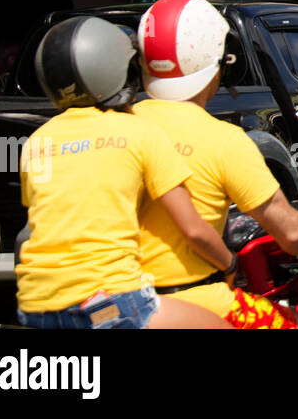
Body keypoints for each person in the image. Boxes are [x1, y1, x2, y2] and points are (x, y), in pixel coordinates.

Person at [132, 0, 298, 329]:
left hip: (112, 302)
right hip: (192, 299)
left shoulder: (116, 125)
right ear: (220, 62)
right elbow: (291, 232)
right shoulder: (225, 141)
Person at [16, 16, 232, 329]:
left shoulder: (36, 142)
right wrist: (230, 263)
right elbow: (194, 229)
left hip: (36, 307)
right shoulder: (139, 132)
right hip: (106, 304)